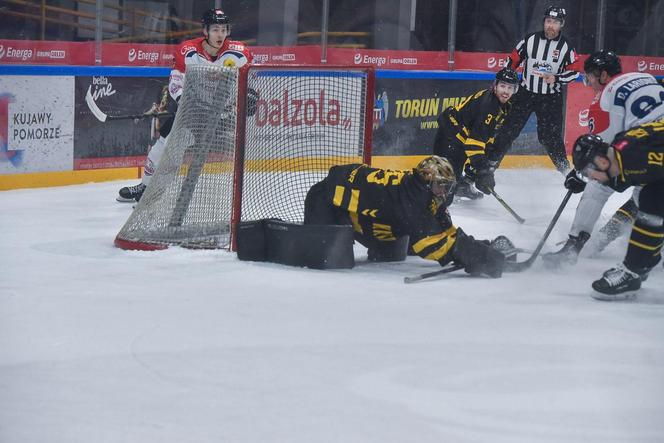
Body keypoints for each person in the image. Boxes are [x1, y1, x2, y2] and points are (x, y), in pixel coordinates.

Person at [117, 8, 254, 202]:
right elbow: (175, 81)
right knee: (165, 146)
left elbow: (250, 80)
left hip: (223, 116)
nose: (220, 34)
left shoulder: (239, 53)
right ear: (205, 31)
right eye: (215, 29)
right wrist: (184, 100)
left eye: (224, 30)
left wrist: (250, 95)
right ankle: (146, 188)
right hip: (194, 110)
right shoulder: (188, 50)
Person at [543, 50, 664, 265]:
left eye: (589, 76)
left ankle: (572, 248)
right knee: (647, 192)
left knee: (599, 185)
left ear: (604, 75)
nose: (587, 81)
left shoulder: (606, 95)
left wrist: (580, 172)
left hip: (649, 143)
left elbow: (604, 149)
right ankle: (634, 242)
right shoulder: (646, 77)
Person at [303, 155, 512, 277]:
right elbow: (432, 244)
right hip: (326, 203)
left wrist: (483, 247)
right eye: (441, 186)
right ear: (427, 181)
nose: (444, 193)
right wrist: (481, 257)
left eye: (447, 187)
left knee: (391, 250)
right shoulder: (411, 201)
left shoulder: (419, 189)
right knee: (329, 259)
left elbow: (445, 231)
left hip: (363, 213)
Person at [570, 129, 664, 300]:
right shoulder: (626, 151)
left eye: (588, 173)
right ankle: (639, 265)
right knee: (648, 198)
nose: (592, 179)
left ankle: (634, 270)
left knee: (651, 199)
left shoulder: (637, 158)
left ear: (600, 162)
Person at [489, 5, 580, 174]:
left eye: (555, 22)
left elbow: (574, 72)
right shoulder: (530, 40)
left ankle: (566, 172)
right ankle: (489, 166)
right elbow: (512, 61)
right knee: (508, 131)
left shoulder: (566, 47)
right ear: (544, 22)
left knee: (550, 137)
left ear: (562, 24)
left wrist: (557, 78)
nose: (550, 26)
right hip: (525, 93)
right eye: (548, 21)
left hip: (551, 98)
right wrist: (506, 79)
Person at [433, 67, 520, 200]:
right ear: (495, 86)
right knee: (444, 194)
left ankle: (462, 184)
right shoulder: (490, 107)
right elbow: (473, 145)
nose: (506, 91)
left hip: (460, 139)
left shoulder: (504, 104)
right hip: (449, 138)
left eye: (510, 88)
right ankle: (441, 194)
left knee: (488, 156)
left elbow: (486, 135)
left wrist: (483, 168)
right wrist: (483, 172)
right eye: (503, 86)